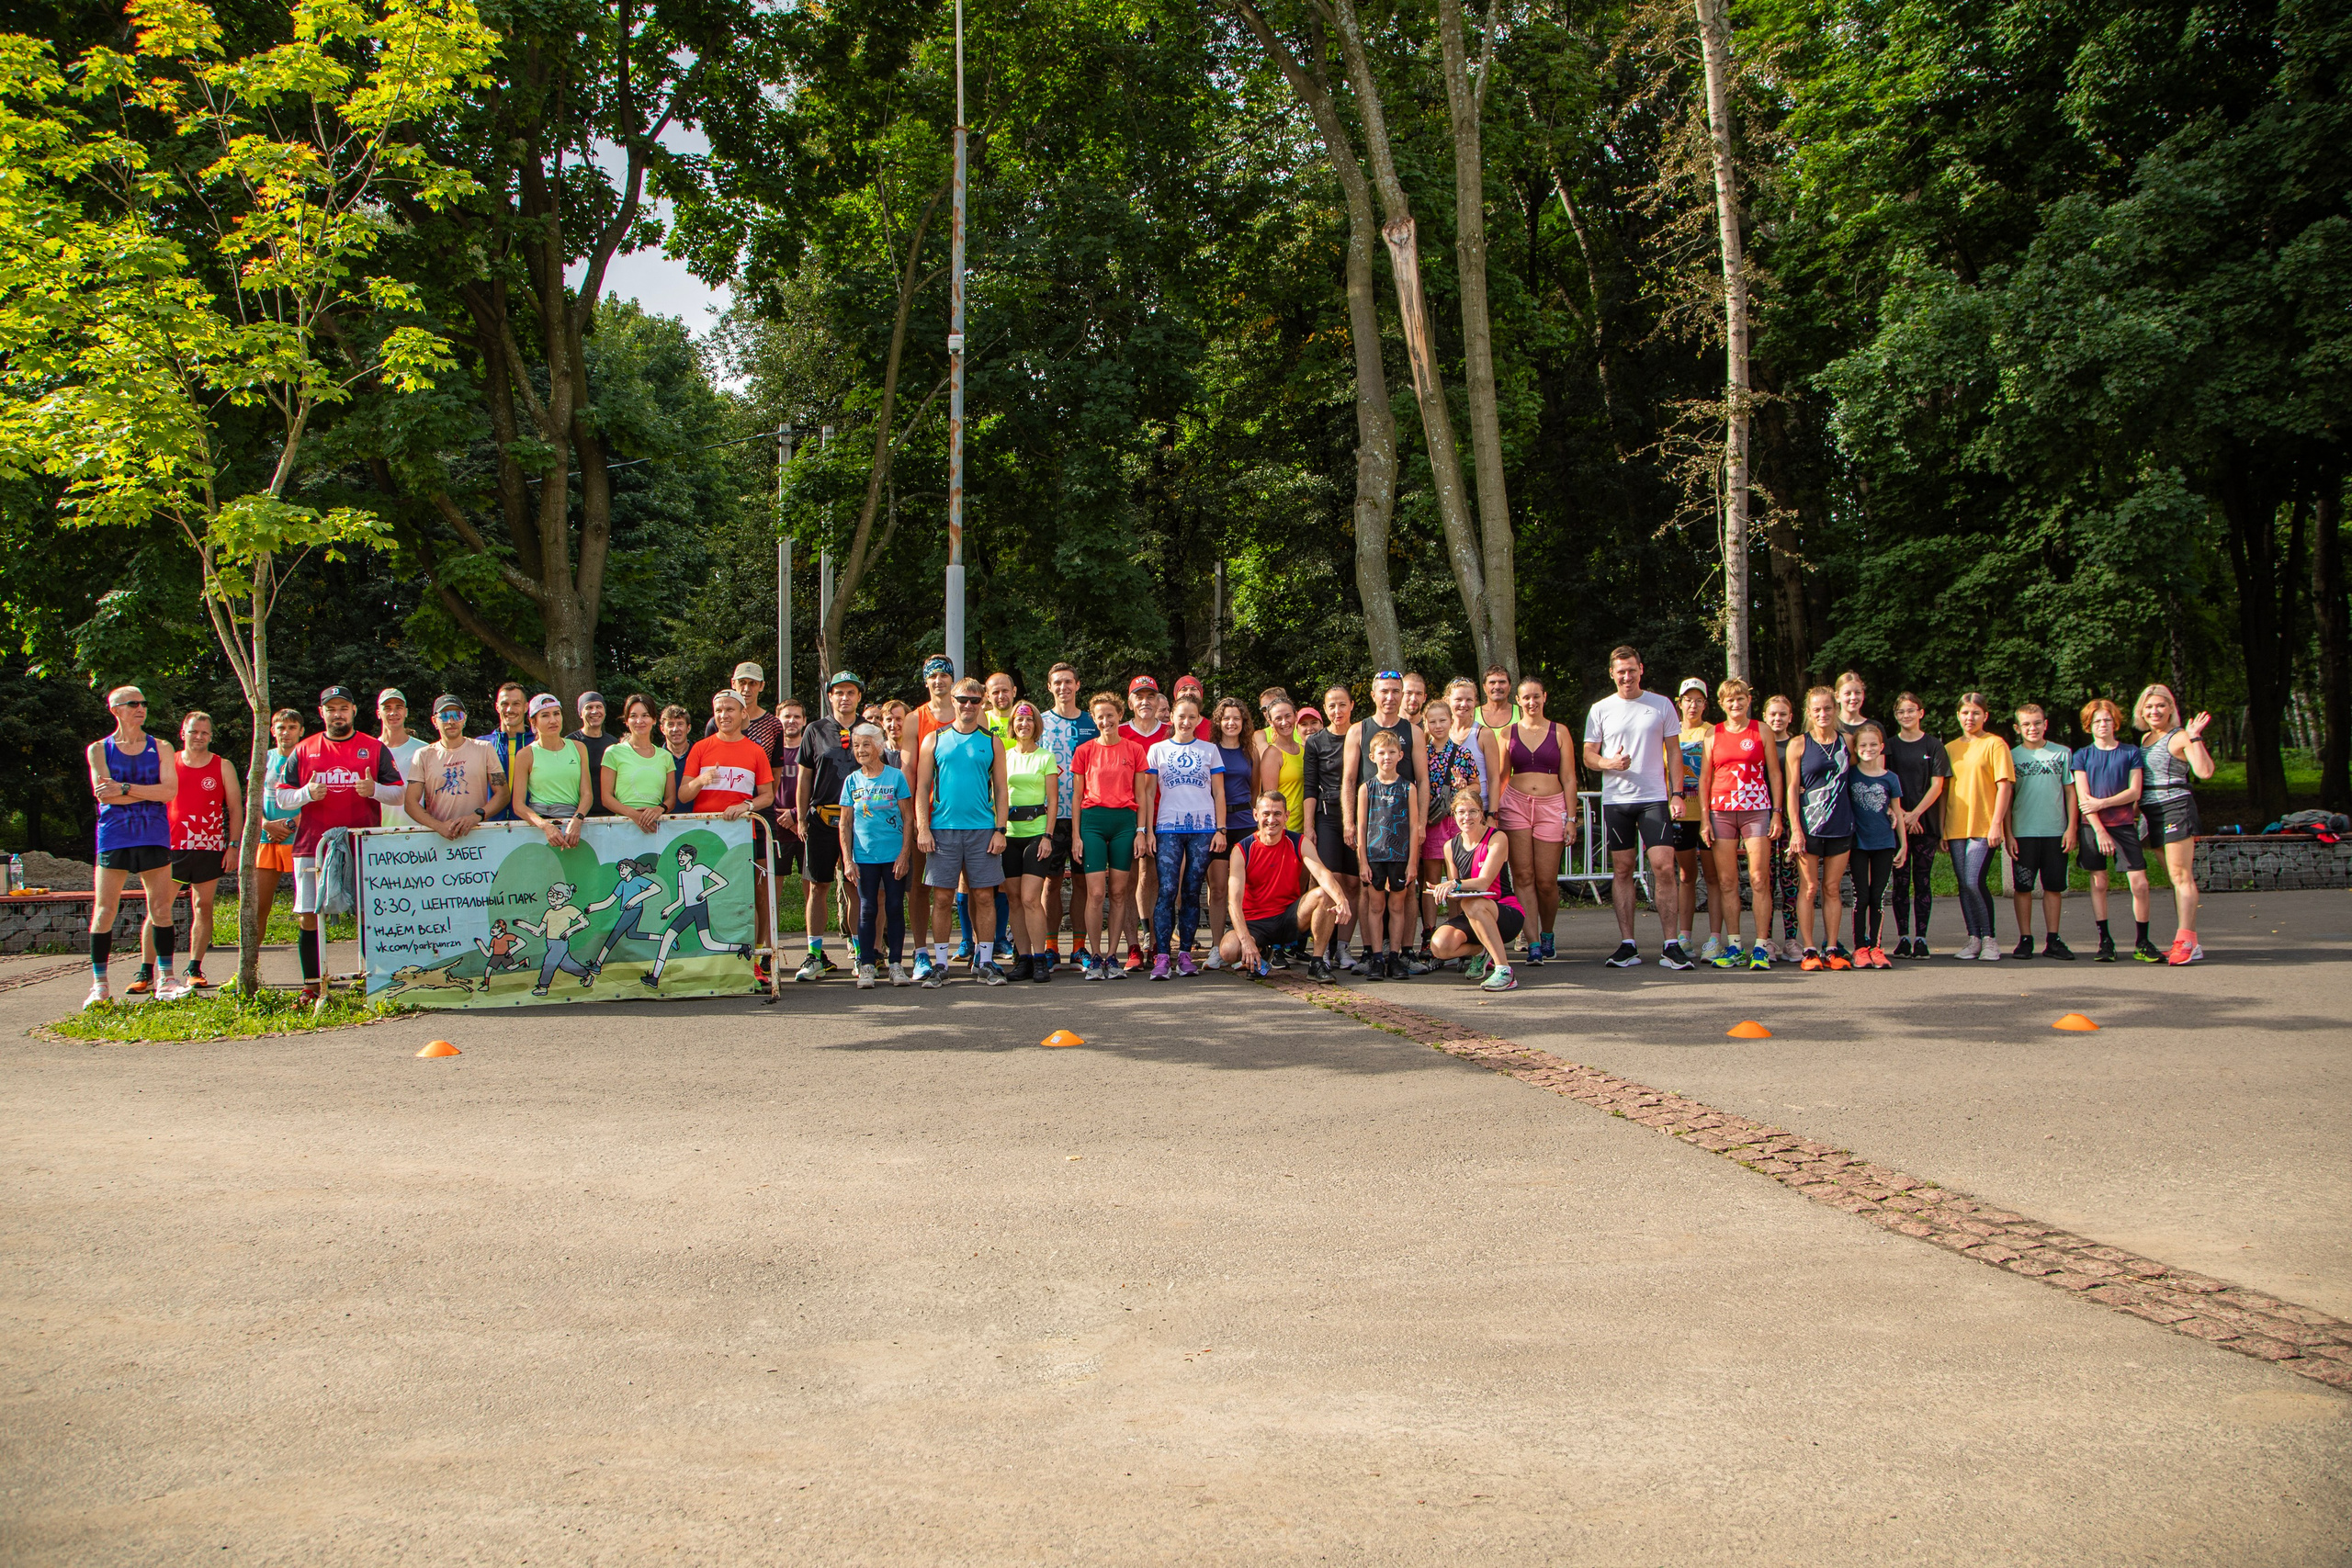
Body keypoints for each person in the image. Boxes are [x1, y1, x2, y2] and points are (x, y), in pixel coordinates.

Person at [275, 685, 403, 1001]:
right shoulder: (303, 750)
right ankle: (312, 984)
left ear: (354, 711)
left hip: (362, 845)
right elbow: (282, 796)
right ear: (322, 713)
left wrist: (374, 789)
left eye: (343, 708)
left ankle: (369, 978)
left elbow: (399, 792)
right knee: (308, 913)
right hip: (311, 847)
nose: (338, 714)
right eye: (331, 709)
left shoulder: (373, 748)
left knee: (367, 911)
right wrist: (306, 793)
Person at [1582, 648, 1690, 970]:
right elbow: (1589, 754)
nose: (1626, 677)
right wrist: (1608, 763)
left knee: (1664, 867)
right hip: (1617, 800)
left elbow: (1674, 752)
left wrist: (1677, 793)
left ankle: (1671, 944)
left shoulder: (1661, 704)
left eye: (1631, 670)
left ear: (1641, 670)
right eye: (1620, 672)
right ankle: (1627, 944)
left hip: (1655, 797)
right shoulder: (1601, 709)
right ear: (1612, 674)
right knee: (1623, 869)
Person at [85, 686, 180, 1008]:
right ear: (116, 710)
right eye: (133, 704)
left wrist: (124, 788)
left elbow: (168, 792)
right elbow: (104, 795)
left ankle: (166, 980)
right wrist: (144, 791)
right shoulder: (99, 749)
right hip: (114, 836)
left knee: (161, 909)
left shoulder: (162, 746)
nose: (141, 708)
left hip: (153, 834)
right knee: (104, 911)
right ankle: (99, 985)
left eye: (143, 702)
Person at [915, 677, 1012, 986]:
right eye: (962, 700)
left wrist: (1000, 829)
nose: (968, 705)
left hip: (982, 831)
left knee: (984, 897)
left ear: (982, 702)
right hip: (942, 831)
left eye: (974, 700)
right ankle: (940, 964)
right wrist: (923, 829)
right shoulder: (934, 739)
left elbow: (1000, 789)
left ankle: (985, 962)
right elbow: (921, 788)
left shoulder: (991, 741)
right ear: (953, 701)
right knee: (942, 898)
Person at [134, 710, 240, 992]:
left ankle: (194, 967)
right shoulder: (168, 762)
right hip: (171, 846)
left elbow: (235, 808)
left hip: (209, 846)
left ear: (211, 736)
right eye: (193, 731)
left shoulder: (222, 765)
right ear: (183, 733)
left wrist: (233, 845)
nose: (199, 737)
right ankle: (145, 971)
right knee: (159, 908)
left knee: (202, 906)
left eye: (205, 732)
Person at [1343, 671, 1431, 971]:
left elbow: (1423, 779)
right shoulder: (1359, 730)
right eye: (1384, 691)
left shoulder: (1414, 732)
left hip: (1404, 824)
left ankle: (1404, 953)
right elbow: (1349, 780)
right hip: (1371, 825)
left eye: (1396, 691)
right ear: (1373, 694)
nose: (1390, 697)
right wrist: (1349, 822)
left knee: (1406, 891)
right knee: (1370, 892)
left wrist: (1420, 826)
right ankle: (1370, 954)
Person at [1220, 791, 1353, 981]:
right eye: (1266, 814)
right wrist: (1246, 942)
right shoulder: (1242, 850)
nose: (1271, 820)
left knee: (1325, 894)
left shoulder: (1299, 841)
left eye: (1277, 814)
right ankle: (1260, 953)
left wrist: (1342, 899)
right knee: (1228, 949)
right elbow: (1233, 902)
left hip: (1289, 916)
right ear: (1256, 815)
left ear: (1286, 816)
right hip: (1255, 923)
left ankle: (1317, 963)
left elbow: (1323, 873)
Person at [1138, 693, 1226, 979]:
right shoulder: (1158, 750)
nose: (1186, 721)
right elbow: (1149, 793)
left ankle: (1186, 954)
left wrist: (1221, 829)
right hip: (1167, 828)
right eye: (1181, 716)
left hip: (1203, 828)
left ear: (1198, 719)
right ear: (1171, 718)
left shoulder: (1210, 750)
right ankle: (1162, 955)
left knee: (1191, 892)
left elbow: (1218, 792)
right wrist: (1147, 830)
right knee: (1166, 890)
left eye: (1192, 717)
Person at [1696, 676, 1780, 971]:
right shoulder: (1713, 735)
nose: (1736, 703)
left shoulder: (1762, 730)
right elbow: (1705, 779)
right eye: (1730, 699)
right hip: (1721, 812)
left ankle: (1760, 945)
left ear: (1748, 700)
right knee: (1728, 881)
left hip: (1756, 810)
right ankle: (1734, 946)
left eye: (1740, 698)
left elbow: (1775, 773)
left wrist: (1778, 812)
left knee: (1758, 878)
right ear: (1721, 703)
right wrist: (1705, 819)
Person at [1069, 692, 1148, 980]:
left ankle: (1113, 957)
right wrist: (1076, 836)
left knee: (1118, 892)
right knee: (1096, 893)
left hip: (1125, 822)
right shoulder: (1085, 751)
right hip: (1092, 820)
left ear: (1119, 716)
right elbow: (1077, 796)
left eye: (1110, 715)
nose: (1106, 721)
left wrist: (1141, 832)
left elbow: (1141, 795)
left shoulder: (1134, 750)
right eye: (1100, 716)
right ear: (1094, 718)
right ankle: (1094, 957)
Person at [1427, 681, 1503, 975]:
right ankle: (1429, 934)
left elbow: (1478, 784)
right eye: (1433, 721)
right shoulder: (1423, 751)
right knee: (1435, 880)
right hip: (1435, 823)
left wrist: (1464, 786)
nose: (1438, 725)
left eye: (1443, 720)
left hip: (1459, 822)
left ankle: (1463, 932)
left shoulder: (1464, 753)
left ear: (1450, 721)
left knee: (1458, 881)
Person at [792, 672, 865, 982]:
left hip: (861, 820)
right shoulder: (815, 730)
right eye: (838, 693)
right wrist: (800, 817)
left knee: (855, 887)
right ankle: (814, 955)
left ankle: (863, 954)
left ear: (859, 696)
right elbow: (804, 777)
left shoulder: (868, 729)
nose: (844, 698)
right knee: (818, 887)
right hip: (822, 818)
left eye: (850, 692)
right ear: (830, 697)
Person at [2136, 683, 2215, 964]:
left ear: (2171, 708)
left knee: (2182, 876)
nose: (2154, 711)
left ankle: (2187, 940)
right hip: (2150, 813)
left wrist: (2195, 738)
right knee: (2174, 877)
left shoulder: (2180, 736)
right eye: (2149, 707)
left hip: (2175, 808)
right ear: (2141, 711)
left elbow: (2204, 772)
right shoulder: (2145, 740)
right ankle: (2187, 939)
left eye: (2160, 705)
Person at [1499, 676, 1575, 965]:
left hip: (1552, 806)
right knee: (1523, 876)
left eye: (1536, 697)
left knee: (1545, 881)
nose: (1531, 702)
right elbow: (1501, 776)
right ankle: (1531, 943)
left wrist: (1571, 817)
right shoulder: (1508, 733)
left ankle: (1547, 934)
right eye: (1525, 698)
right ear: (1517, 701)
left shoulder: (1560, 732)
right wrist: (1494, 811)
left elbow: (1568, 777)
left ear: (1544, 697)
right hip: (1516, 805)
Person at [2074, 698, 2153, 963]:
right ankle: (2104, 941)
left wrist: (2104, 802)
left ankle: (2142, 941)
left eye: (2107, 719)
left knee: (2139, 884)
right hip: (2092, 827)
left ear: (2115, 722)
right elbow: (2084, 800)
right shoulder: (2082, 755)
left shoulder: (2130, 752)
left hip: (2124, 825)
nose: (2102, 724)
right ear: (2089, 726)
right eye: (2097, 721)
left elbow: (2134, 791)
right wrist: (2100, 830)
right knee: (2099, 882)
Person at [1786, 687, 1858, 971]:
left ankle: (1831, 947)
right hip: (1809, 827)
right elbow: (1792, 789)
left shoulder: (1848, 742)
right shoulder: (1798, 744)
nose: (1822, 714)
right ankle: (1809, 949)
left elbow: (1865, 771)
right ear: (1809, 712)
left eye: (1827, 708)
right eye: (1816, 709)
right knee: (1809, 887)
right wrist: (1795, 829)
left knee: (1832, 888)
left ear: (1835, 709)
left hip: (1841, 825)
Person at [1428, 786, 1526, 992]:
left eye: (1472, 811)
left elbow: (1483, 882)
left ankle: (1504, 971)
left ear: (1481, 813)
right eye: (1461, 812)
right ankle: (1481, 951)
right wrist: (1442, 890)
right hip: (1473, 913)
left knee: (1474, 903)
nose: (1467, 817)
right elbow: (1457, 894)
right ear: (1453, 815)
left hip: (1505, 911)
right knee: (1439, 945)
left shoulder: (1497, 838)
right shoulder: (1450, 846)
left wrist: (1454, 884)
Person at [840, 722, 914, 987]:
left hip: (893, 855)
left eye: (866, 745)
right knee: (866, 909)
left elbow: (908, 818)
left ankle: (896, 964)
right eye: (856, 745)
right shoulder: (851, 781)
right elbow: (845, 823)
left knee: (894, 907)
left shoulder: (896, 777)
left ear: (879, 747)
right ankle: (867, 964)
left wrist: (905, 854)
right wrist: (848, 860)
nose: (860, 750)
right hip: (864, 857)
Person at [1943, 691, 2016, 960]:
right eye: (1965, 713)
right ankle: (1973, 937)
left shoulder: (1995, 744)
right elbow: (1944, 790)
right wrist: (1943, 828)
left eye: (1975, 713)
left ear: (1985, 715)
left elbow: (2005, 786)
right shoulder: (1950, 748)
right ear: (1958, 716)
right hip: (1956, 826)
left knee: (1974, 880)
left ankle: (1989, 938)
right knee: (1963, 883)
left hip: (1984, 826)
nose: (1969, 718)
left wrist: (1997, 824)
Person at [2006, 704, 2078, 959]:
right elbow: (2007, 798)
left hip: (2055, 831)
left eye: (2037, 723)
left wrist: (2071, 827)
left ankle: (2053, 939)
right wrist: (2008, 833)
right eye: (2026, 724)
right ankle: (2025, 938)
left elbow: (2070, 792)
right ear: (2017, 728)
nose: (2032, 728)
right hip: (2023, 832)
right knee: (2023, 887)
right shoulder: (2012, 756)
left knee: (2053, 886)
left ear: (2045, 724)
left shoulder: (2062, 753)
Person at [1039, 664, 1098, 970]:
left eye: (1068, 682)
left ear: (1078, 685)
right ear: (1049, 687)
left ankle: (1078, 948)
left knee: (1082, 884)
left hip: (1086, 814)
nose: (1063, 687)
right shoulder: (1040, 723)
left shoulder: (1093, 722)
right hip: (1050, 817)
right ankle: (1050, 947)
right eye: (1057, 682)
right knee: (1049, 884)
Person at [1883, 693, 1950, 957]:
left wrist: (1915, 815)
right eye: (1901, 712)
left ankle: (1921, 937)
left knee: (1922, 881)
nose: (1906, 716)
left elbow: (1938, 785)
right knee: (1900, 882)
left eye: (1911, 710)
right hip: (1896, 824)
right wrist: (1901, 816)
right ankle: (1903, 937)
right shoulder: (1889, 746)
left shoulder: (1934, 746)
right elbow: (1882, 781)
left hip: (1925, 824)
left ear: (1921, 713)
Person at [1000, 703, 1062, 979]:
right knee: (1013, 899)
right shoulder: (1003, 756)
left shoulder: (1046, 757)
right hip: (1009, 834)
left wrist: (1048, 836)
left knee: (1030, 898)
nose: (1023, 724)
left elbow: (1053, 800)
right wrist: (998, 830)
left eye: (1028, 720)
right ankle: (1023, 958)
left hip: (1037, 833)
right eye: (1018, 720)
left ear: (1035, 724)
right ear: (1012, 725)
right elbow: (999, 794)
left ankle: (1040, 957)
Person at [1354, 728, 1421, 979]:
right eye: (1381, 753)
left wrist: (1412, 861)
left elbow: (1414, 826)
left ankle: (1395, 957)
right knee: (1375, 906)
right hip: (1374, 856)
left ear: (1400, 755)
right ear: (1372, 756)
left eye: (1392, 752)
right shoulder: (1366, 788)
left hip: (1400, 856)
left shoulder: (1408, 788)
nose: (1386, 757)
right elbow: (1361, 826)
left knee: (1397, 906)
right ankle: (1375, 958)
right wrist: (1362, 861)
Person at [1298, 684, 1358, 965]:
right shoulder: (1315, 742)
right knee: (1330, 882)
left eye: (1342, 705)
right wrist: (1309, 826)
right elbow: (1310, 787)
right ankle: (1324, 945)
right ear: (1325, 709)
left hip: (1360, 815)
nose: (1338, 711)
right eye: (1332, 706)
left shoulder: (1361, 735)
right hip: (1328, 815)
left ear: (1352, 706)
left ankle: (1344, 947)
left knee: (1354, 883)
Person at [640, 840, 752, 988]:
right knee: (667, 938)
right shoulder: (681, 874)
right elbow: (681, 899)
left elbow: (722, 882)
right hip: (688, 909)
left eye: (684, 855)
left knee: (708, 943)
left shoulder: (699, 868)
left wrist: (704, 893)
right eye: (679, 855)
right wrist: (669, 909)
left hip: (699, 908)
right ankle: (655, 978)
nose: (680, 857)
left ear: (691, 857)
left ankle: (742, 947)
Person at [907, 656, 959, 964]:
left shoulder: (969, 712)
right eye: (933, 676)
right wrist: (912, 815)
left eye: (943, 675)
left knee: (971, 885)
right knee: (920, 886)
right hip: (926, 811)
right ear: (926, 681)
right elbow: (908, 769)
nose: (938, 681)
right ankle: (920, 951)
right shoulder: (916, 717)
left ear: (952, 680)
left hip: (964, 814)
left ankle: (975, 948)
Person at [1202, 696, 1258, 969]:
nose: (1231, 723)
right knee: (1219, 888)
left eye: (1236, 718)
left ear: (1243, 722)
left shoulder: (1251, 751)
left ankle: (1245, 946)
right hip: (1218, 826)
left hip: (1246, 824)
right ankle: (1216, 945)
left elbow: (1255, 788)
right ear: (1218, 722)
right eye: (1226, 719)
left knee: (1244, 888)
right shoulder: (1210, 750)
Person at [405, 694, 509, 836]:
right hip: (439, 838)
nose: (451, 721)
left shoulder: (484, 749)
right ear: (434, 721)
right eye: (445, 716)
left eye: (457, 715)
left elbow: (503, 794)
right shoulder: (423, 755)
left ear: (464, 719)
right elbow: (410, 803)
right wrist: (438, 826)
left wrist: (476, 817)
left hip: (478, 835)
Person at [1846, 723, 1905, 968]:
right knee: (1862, 896)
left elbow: (1898, 813)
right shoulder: (1850, 775)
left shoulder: (1891, 778)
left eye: (1873, 745)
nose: (1868, 749)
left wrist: (1903, 845)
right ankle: (1860, 947)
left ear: (1881, 747)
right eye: (1863, 745)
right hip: (1858, 844)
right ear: (1856, 749)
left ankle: (1876, 947)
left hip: (1884, 843)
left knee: (1878, 897)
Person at [509, 694, 590, 851]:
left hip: (573, 825)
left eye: (556, 714)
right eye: (545, 715)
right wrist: (545, 826)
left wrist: (578, 819)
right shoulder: (525, 754)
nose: (553, 720)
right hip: (540, 827)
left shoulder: (579, 748)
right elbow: (518, 805)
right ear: (533, 722)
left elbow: (587, 794)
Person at [250, 708, 305, 935]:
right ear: (272, 731)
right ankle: (250, 968)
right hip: (267, 839)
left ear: (301, 731)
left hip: (300, 840)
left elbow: (318, 799)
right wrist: (264, 823)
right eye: (281, 728)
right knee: (258, 908)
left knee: (306, 910)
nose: (286, 733)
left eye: (292, 728)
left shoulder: (308, 758)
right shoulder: (264, 758)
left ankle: (312, 969)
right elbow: (252, 798)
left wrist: (290, 825)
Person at [1671, 678, 1714, 957]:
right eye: (1688, 700)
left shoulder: (1713, 732)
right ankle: (1684, 937)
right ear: (1680, 703)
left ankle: (1715, 938)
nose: (1693, 705)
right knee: (1686, 875)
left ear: (1705, 705)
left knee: (1714, 877)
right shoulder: (1670, 733)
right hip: (1681, 814)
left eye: (1699, 700)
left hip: (1709, 814)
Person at [1759, 694, 1803, 962]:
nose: (1777, 718)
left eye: (1782, 714)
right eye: (1773, 714)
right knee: (1764, 881)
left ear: (1791, 717)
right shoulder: (1757, 742)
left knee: (1790, 882)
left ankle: (1791, 940)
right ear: (1765, 716)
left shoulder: (1799, 744)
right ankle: (1766, 940)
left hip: (1791, 819)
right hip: (1762, 817)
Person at [600, 694, 678, 831]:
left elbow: (671, 799)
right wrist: (634, 815)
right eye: (633, 716)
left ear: (654, 720)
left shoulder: (666, 756)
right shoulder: (613, 753)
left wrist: (658, 810)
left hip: (655, 828)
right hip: (623, 828)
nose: (639, 721)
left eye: (645, 715)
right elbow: (606, 797)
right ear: (626, 721)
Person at [514, 881, 596, 998]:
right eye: (551, 894)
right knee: (567, 965)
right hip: (551, 942)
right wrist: (522, 924)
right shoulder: (548, 912)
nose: (553, 898)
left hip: (560, 943)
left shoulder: (570, 909)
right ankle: (587, 975)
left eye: (558, 895)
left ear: (566, 897)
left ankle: (543, 986)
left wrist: (568, 932)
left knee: (549, 963)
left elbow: (585, 922)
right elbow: (539, 932)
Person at [584, 855, 663, 973]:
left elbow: (656, 888)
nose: (622, 870)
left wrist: (634, 900)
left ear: (631, 869)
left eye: (624, 868)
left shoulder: (637, 880)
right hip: (629, 911)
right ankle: (663, 938)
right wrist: (594, 907)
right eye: (620, 868)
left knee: (613, 935)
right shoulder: (622, 884)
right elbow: (609, 902)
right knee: (632, 934)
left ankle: (598, 965)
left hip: (634, 910)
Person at [375, 689, 428, 829]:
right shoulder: (369, 751)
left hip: (418, 833)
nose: (393, 713)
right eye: (387, 708)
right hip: (378, 835)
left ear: (406, 712)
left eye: (398, 707)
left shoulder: (424, 750)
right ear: (378, 713)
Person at [1254, 697, 1306, 834]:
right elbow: (1271, 798)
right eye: (1278, 718)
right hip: (1286, 828)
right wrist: (1283, 829)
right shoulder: (1272, 754)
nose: (1284, 722)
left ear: (1296, 716)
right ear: (1271, 723)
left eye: (1288, 716)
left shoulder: (1304, 750)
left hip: (1307, 827)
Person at [482, 682, 531, 821]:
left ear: (526, 707)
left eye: (516, 704)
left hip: (531, 827)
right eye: (505, 704)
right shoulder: (482, 744)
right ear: (497, 706)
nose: (510, 709)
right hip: (489, 827)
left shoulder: (537, 743)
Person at [567, 692, 615, 817]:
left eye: (599, 707)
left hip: (609, 815)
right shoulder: (570, 743)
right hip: (576, 815)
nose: (595, 711)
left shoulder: (614, 744)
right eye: (589, 707)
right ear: (580, 713)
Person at [1476, 665, 1519, 735]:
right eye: (1492, 682)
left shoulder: (1522, 714)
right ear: (1484, 687)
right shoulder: (1472, 715)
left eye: (1502, 682)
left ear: (1510, 686)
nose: (1497, 687)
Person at [661, 705, 695, 779]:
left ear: (688, 728)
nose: (675, 729)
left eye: (680, 724)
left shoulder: (698, 755)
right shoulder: (656, 758)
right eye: (670, 724)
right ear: (662, 729)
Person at [1833, 671, 1871, 739]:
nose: (1853, 697)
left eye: (1857, 693)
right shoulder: (1831, 727)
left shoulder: (1874, 726)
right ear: (1837, 696)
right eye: (1848, 693)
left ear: (1863, 694)